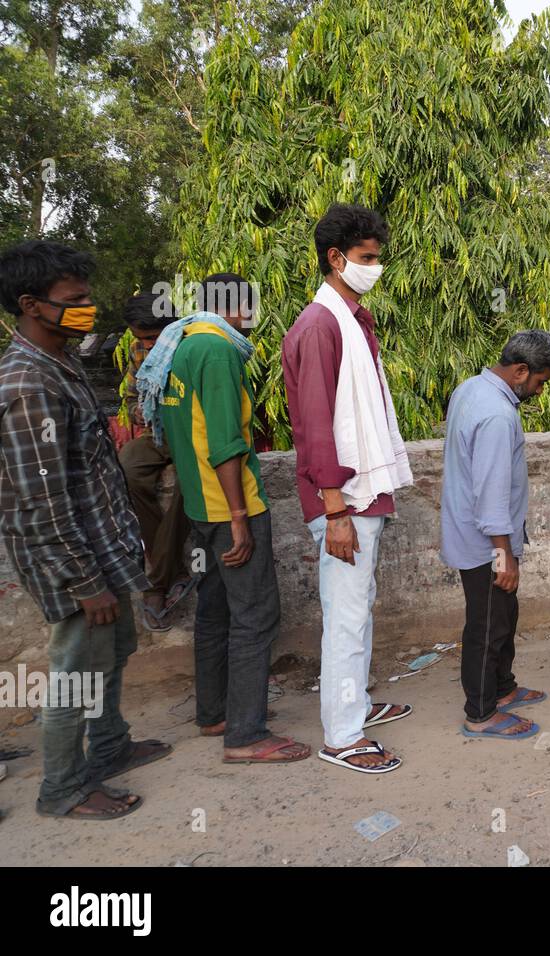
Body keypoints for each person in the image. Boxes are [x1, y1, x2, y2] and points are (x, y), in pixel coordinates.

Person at [0, 240, 172, 820]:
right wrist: (83, 581)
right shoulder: (28, 387)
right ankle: (64, 789)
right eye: (74, 299)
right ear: (30, 304)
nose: (88, 307)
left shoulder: (61, 360)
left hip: (101, 546)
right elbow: (42, 501)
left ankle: (109, 746)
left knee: (113, 651)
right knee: (76, 670)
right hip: (74, 561)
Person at [138, 273, 308, 764]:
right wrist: (239, 516)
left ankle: (214, 713)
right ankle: (247, 734)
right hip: (228, 506)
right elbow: (225, 441)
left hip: (198, 508)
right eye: (251, 305)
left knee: (215, 613)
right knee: (255, 617)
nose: (254, 317)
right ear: (235, 306)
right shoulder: (216, 351)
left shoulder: (181, 345)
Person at [282, 203, 413, 772]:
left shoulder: (351, 320)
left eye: (378, 258)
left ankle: (355, 705)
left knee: (357, 610)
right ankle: (341, 735)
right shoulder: (320, 326)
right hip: (344, 499)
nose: (375, 268)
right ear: (336, 259)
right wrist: (334, 509)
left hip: (361, 493)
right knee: (346, 616)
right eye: (367, 258)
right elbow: (314, 425)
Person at [441, 331, 550, 739]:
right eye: (540, 382)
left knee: (503, 615)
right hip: (485, 545)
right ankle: (480, 712)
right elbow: (491, 490)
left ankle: (503, 688)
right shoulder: (497, 414)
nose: (539, 391)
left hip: (480, 536)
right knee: (488, 624)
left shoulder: (471, 389)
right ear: (520, 371)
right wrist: (503, 556)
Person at [116, 291, 195, 631]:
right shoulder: (137, 351)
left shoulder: (191, 348)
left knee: (187, 486)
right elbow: (133, 399)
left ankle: (156, 584)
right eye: (140, 339)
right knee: (128, 467)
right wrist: (142, 410)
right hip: (156, 431)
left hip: (190, 432)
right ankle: (173, 570)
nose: (146, 346)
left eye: (152, 338)